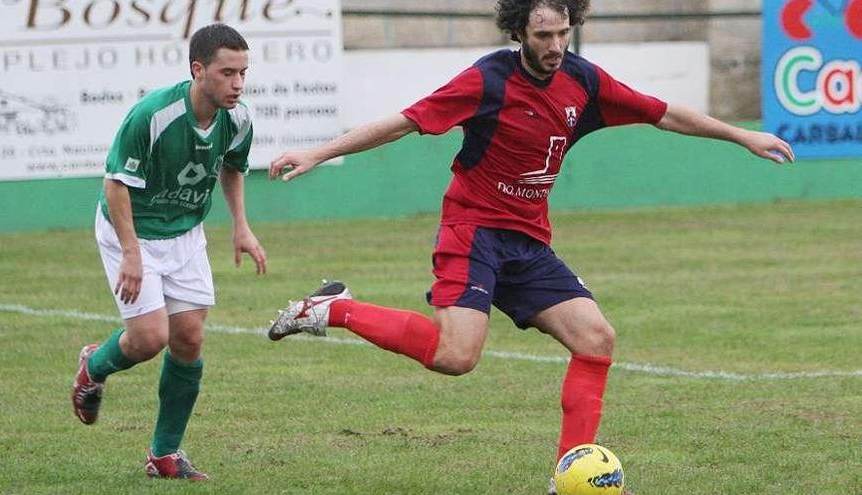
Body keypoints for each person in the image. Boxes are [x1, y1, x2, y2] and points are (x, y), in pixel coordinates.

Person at [267, 1, 794, 493]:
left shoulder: (583, 82)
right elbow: (404, 122)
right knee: (455, 357)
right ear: (519, 30)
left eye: (564, 31)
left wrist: (742, 136)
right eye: (544, 34)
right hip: (472, 231)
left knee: (595, 338)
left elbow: (663, 113)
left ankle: (569, 476)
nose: (556, 44)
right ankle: (334, 309)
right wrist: (320, 151)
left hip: (528, 243)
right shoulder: (487, 79)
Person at [71, 23, 267, 481]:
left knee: (189, 339)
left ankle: (164, 455)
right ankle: (93, 365)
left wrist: (241, 226)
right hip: (131, 229)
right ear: (198, 70)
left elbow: (233, 169)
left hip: (185, 233)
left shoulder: (239, 119)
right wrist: (132, 253)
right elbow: (116, 183)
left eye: (243, 73)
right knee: (148, 339)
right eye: (227, 73)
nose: (237, 84)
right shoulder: (153, 115)